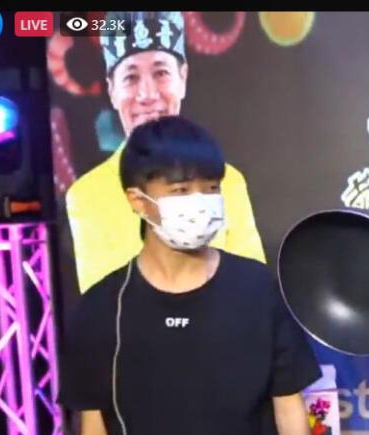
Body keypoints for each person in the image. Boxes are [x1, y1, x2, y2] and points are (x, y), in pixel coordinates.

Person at [58, 116, 320, 435]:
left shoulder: (256, 288)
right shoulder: (103, 307)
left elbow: (290, 412)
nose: (200, 202)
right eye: (180, 190)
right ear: (137, 200)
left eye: (211, 188)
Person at [65, 11, 265, 294]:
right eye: (131, 77)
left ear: (183, 78)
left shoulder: (228, 181)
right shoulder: (87, 195)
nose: (147, 94)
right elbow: (105, 303)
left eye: (161, 73)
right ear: (112, 90)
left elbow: (254, 290)